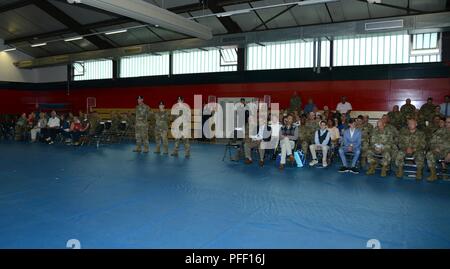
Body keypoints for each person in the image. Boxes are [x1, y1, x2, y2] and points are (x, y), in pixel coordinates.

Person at [425, 117, 450, 181]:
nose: (447, 124)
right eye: (446, 122)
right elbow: (432, 141)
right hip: (441, 152)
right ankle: (433, 175)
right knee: (429, 154)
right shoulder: (440, 131)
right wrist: (434, 148)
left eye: (449, 122)